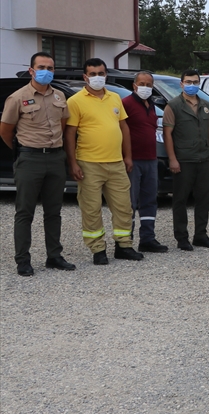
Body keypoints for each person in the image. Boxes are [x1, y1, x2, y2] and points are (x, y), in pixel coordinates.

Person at [0, 51, 74, 275]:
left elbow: (63, 125)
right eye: (41, 67)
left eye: (50, 68)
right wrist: (25, 149)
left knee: (54, 211)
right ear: (31, 70)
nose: (46, 72)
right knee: (25, 212)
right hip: (30, 158)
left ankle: (54, 256)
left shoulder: (60, 96)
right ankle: (23, 260)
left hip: (55, 158)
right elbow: (5, 131)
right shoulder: (17, 97)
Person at [65, 58, 142, 265]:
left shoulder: (115, 98)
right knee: (91, 208)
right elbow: (70, 134)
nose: (97, 77)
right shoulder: (75, 101)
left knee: (124, 207)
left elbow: (124, 128)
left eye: (101, 73)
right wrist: (72, 163)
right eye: (92, 74)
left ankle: (123, 246)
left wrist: (127, 156)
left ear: (106, 74)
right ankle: (98, 250)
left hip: (116, 163)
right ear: (85, 77)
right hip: (89, 163)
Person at [163, 69, 209, 250]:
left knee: (204, 199)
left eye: (195, 82)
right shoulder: (173, 105)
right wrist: (172, 159)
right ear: (181, 84)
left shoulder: (205, 104)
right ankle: (182, 238)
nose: (192, 85)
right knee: (180, 199)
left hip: (203, 158)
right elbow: (168, 134)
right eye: (188, 82)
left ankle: (200, 235)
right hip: (184, 160)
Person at [121, 70, 168, 253]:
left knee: (149, 200)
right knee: (130, 202)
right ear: (134, 86)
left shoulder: (151, 105)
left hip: (151, 159)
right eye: (142, 84)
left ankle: (147, 238)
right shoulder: (126, 104)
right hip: (133, 160)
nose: (145, 88)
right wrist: (127, 156)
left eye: (149, 85)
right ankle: (126, 240)